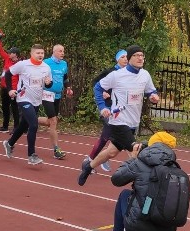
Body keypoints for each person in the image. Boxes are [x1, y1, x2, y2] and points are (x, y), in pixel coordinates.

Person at [77, 45, 159, 186]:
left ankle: (88, 166)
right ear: (129, 58)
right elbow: (98, 87)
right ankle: (138, 185)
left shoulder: (145, 75)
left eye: (142, 55)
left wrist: (153, 96)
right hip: (118, 121)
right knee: (135, 148)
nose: (140, 58)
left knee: (111, 152)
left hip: (133, 122)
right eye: (136, 55)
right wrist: (102, 107)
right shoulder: (117, 75)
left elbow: (151, 91)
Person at [108, 131, 181, 231]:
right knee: (171, 202)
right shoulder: (176, 170)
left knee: (124, 194)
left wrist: (133, 159)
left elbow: (116, 179)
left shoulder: (139, 163)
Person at [2, 44, 53, 165]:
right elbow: (8, 74)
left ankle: (9, 143)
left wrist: (48, 83)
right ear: (32, 54)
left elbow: (48, 84)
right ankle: (31, 155)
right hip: (23, 98)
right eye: (38, 53)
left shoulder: (46, 68)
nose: (40, 55)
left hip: (36, 100)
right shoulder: (23, 64)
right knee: (34, 124)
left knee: (23, 126)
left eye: (42, 53)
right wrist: (10, 89)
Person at [84, 49, 128, 173]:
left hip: (121, 110)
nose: (125, 59)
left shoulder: (129, 73)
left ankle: (104, 156)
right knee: (106, 136)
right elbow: (95, 82)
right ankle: (89, 160)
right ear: (117, 59)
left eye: (127, 57)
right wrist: (104, 92)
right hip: (108, 109)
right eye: (123, 57)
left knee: (119, 137)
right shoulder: (110, 72)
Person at [39, 44, 73, 159]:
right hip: (46, 94)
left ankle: (30, 119)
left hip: (57, 95)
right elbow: (38, 75)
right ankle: (56, 149)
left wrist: (68, 88)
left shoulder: (64, 64)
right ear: (54, 52)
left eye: (63, 51)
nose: (62, 53)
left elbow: (65, 77)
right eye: (60, 51)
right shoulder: (46, 62)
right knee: (54, 121)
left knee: (50, 121)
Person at [0, 34, 20, 132]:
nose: (9, 54)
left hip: (13, 89)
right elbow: (0, 51)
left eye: (11, 53)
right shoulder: (7, 59)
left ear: (15, 54)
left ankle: (16, 127)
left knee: (15, 108)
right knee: (5, 107)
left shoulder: (19, 64)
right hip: (4, 87)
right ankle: (5, 126)